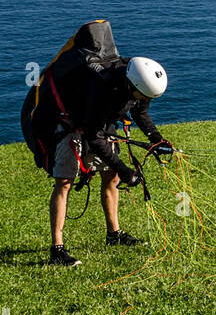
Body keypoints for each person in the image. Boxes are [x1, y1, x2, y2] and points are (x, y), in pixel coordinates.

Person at [48, 56, 173, 267]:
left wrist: (157, 139)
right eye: (142, 95)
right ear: (131, 84)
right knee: (64, 182)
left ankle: (114, 235)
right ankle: (56, 250)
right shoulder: (102, 88)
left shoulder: (138, 82)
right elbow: (93, 137)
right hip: (71, 125)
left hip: (100, 124)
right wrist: (125, 169)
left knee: (111, 176)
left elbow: (140, 112)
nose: (143, 98)